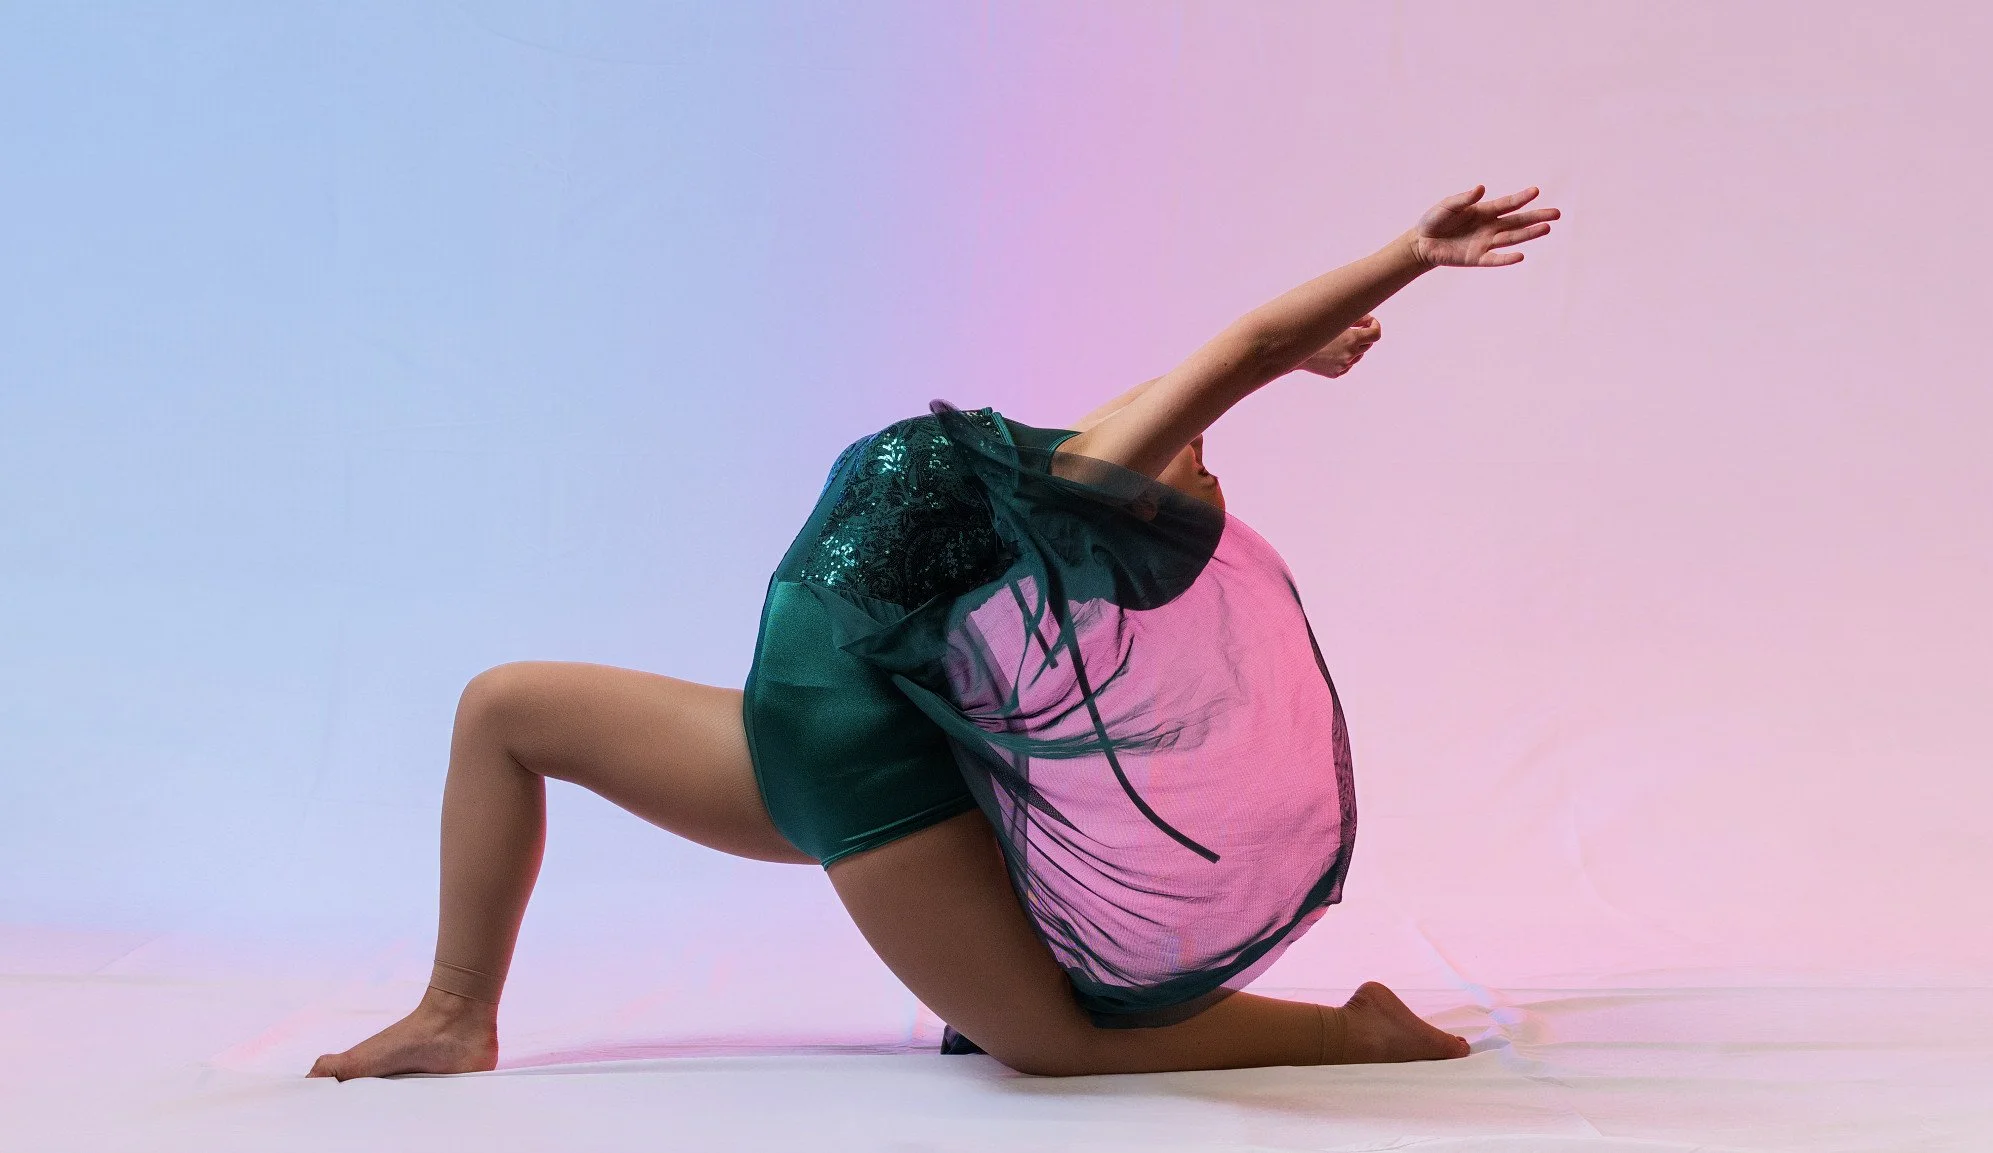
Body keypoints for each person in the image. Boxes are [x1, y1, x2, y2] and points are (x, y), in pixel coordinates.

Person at [308, 183, 1559, 1080]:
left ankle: (1350, 1026)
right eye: (1203, 450)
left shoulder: (1086, 484)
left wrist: (1404, 255)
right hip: (772, 744)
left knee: (1046, 1048)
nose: (1196, 444)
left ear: (1123, 524)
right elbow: (1227, 366)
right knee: (503, 707)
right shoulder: (1036, 459)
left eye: (1195, 474)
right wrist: (1298, 364)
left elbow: (1236, 347)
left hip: (862, 783)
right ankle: (452, 1013)